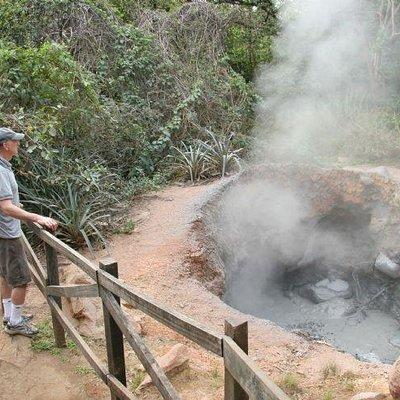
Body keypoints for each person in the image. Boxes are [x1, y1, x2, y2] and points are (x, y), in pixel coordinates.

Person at [0, 127, 58, 337]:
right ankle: (15, 324)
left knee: (6, 277)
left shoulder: (4, 166)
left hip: (3, 233)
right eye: (15, 141)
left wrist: (17, 206)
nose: (18, 144)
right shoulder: (1, 170)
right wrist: (37, 217)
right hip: (8, 234)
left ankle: (9, 316)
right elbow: (5, 207)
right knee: (21, 280)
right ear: (5, 145)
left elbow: (5, 203)